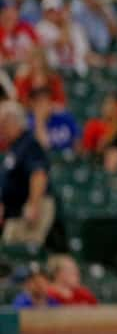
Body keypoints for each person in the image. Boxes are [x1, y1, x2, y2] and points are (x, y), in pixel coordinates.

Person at [0, 101, 54, 247]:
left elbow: (39, 174)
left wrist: (33, 205)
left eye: (3, 124)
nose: (1, 129)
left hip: (31, 207)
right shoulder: (15, 147)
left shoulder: (29, 143)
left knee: (25, 252)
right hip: (16, 212)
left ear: (13, 121)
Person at [36, 0, 100, 76]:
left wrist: (104, 61)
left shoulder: (76, 27)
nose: (54, 14)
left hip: (79, 72)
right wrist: (66, 21)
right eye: (50, 11)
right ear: (44, 13)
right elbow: (62, 41)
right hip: (57, 72)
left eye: (56, 10)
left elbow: (85, 53)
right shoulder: (41, 28)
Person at [28, 87, 80, 152]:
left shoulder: (63, 116)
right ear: (32, 104)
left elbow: (78, 143)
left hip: (69, 157)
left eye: (46, 100)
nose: (44, 105)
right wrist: (40, 120)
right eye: (40, 101)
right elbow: (44, 147)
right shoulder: (29, 123)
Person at [0, 0, 39, 67]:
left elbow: (37, 47)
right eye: (8, 11)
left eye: (15, 10)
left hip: (28, 65)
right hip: (8, 67)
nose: (13, 14)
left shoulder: (26, 27)